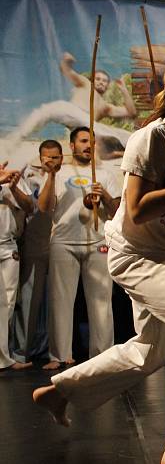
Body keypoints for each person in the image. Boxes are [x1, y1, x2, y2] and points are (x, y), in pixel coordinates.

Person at [33, 51, 165, 464]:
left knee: (149, 353)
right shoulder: (155, 137)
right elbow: (137, 210)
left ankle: (60, 392)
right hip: (135, 255)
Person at [39, 127, 121, 370]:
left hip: (97, 242)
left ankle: (103, 353)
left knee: (101, 301)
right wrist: (51, 176)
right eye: (84, 141)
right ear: (72, 145)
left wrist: (104, 195)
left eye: (92, 142)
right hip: (64, 242)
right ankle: (59, 354)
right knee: (61, 301)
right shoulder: (58, 171)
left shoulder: (104, 174)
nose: (89, 145)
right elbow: (44, 207)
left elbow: (116, 211)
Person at [4, 53, 137, 160]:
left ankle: (135, 149)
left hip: (87, 126)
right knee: (49, 109)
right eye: (98, 79)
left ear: (107, 86)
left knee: (121, 135)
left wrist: (124, 89)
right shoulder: (85, 84)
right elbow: (66, 70)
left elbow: (131, 113)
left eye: (105, 81)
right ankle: (18, 137)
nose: (101, 82)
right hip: (72, 111)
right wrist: (66, 62)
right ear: (92, 80)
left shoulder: (105, 107)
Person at [12, 141, 61, 360]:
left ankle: (55, 351)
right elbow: (42, 206)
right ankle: (20, 352)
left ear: (62, 157)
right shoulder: (31, 176)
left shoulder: (71, 174)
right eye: (46, 157)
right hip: (35, 245)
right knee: (28, 301)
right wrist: (50, 176)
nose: (50, 161)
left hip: (63, 244)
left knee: (58, 302)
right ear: (40, 157)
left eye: (55, 157)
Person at [0, 161, 33, 371]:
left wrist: (12, 187)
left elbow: (30, 207)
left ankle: (4, 357)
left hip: (7, 246)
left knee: (8, 304)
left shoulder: (11, 177)